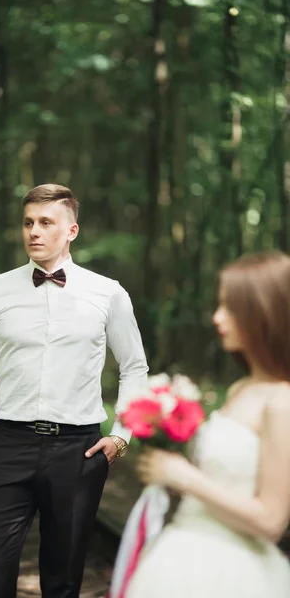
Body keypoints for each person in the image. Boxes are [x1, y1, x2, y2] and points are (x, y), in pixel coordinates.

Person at [0, 183, 148, 598]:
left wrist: (121, 435)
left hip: (78, 451)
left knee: (62, 582)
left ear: (71, 230)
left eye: (45, 222)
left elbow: (134, 367)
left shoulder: (108, 293)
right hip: (7, 446)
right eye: (27, 223)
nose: (34, 232)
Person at [126, 251, 290, 598]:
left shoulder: (282, 403)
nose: (217, 318)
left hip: (230, 571)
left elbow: (272, 522)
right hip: (182, 551)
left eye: (230, 308)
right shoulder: (242, 388)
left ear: (263, 312)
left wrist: (182, 476)